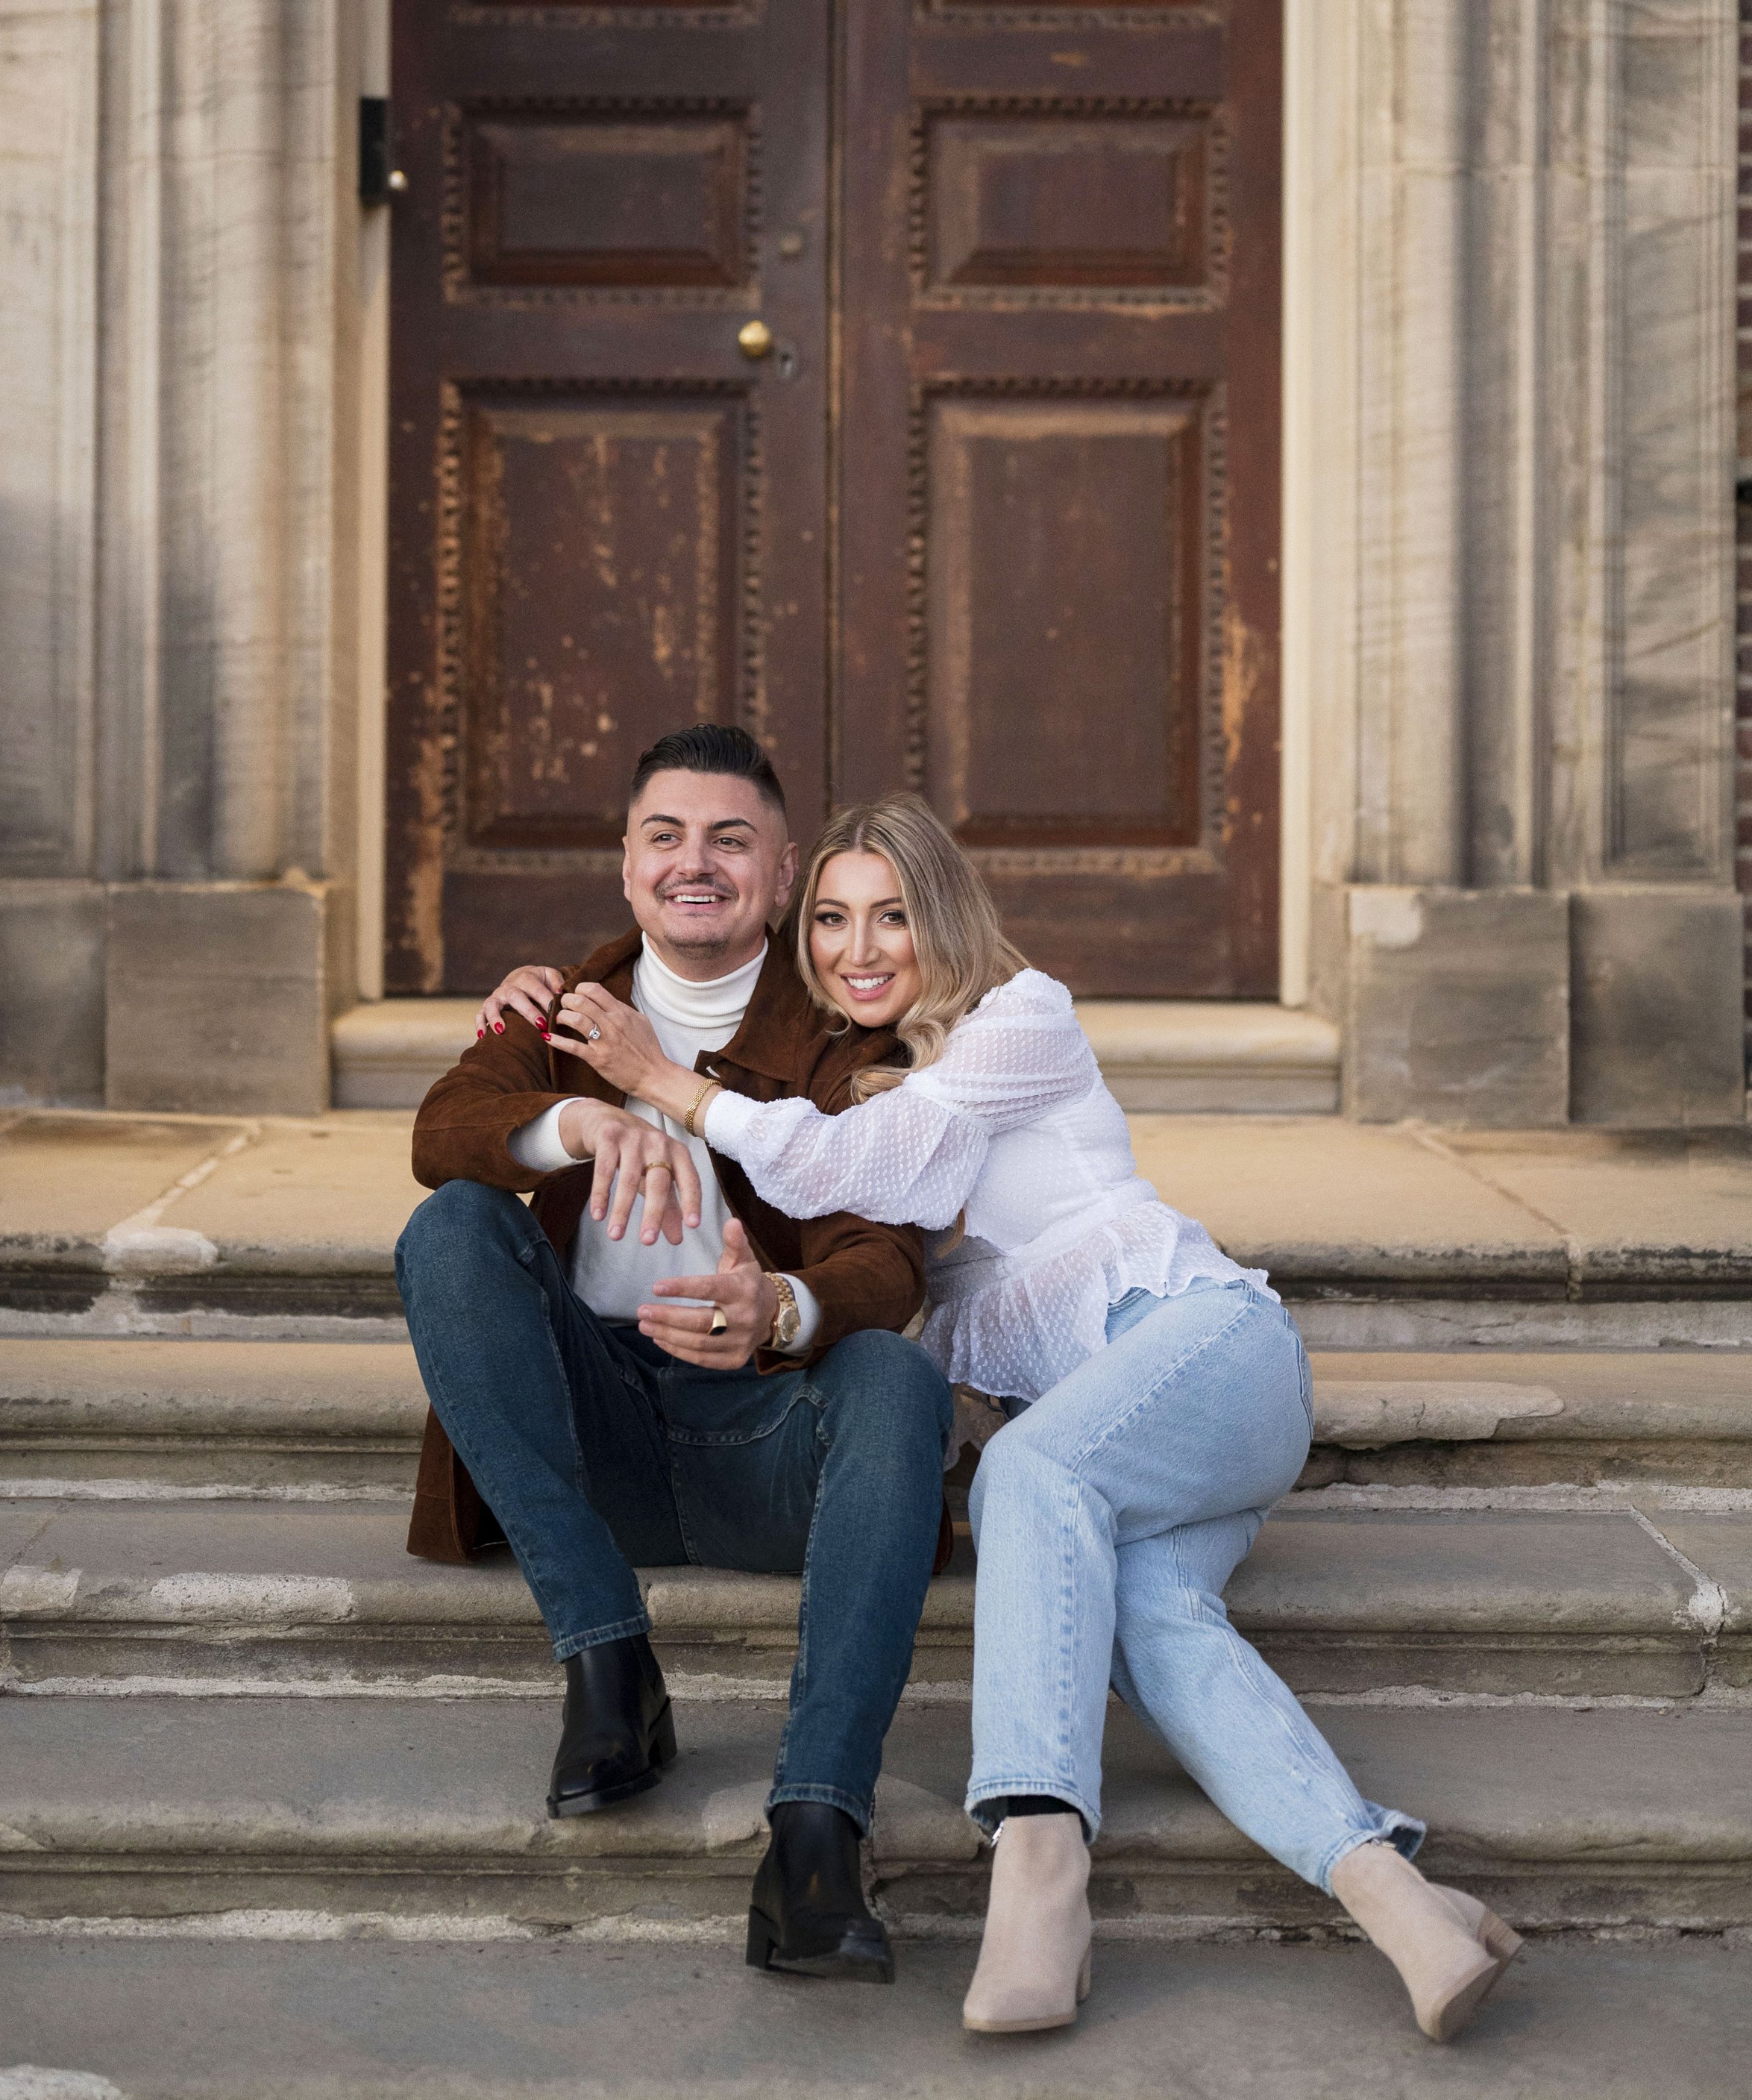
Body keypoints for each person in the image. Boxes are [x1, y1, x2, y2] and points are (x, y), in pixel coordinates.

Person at [507, 791, 1522, 2045]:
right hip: (1121, 1459)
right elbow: (799, 1112)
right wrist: (561, 994)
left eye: (891, 915)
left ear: (945, 917)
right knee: (1151, 1621)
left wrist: (662, 1080)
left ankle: (1040, 1868)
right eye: (828, 918)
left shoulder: (1019, 1018)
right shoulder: (858, 1095)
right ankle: (1401, 1897)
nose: (857, 947)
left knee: (1026, 1478)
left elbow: (864, 1164)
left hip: (1206, 1351)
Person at [395, 727, 953, 1987]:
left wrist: (787, 1310)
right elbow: (442, 1126)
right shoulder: (559, 1009)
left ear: (783, 869)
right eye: (667, 835)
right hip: (591, 1442)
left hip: (772, 1447)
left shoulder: (847, 1032)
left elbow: (892, 1253)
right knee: (453, 1224)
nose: (695, 863)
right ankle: (609, 1660)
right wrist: (571, 1116)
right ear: (627, 860)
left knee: (895, 1375)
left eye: (731, 838)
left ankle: (815, 1836)